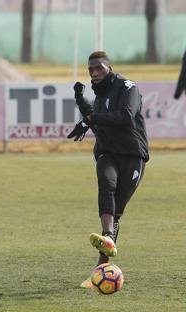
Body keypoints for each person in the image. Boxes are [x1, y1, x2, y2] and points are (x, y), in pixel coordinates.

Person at [67, 51, 150, 288]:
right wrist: (81, 102)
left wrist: (90, 120)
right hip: (107, 152)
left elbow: (125, 116)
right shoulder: (100, 93)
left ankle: (102, 261)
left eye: (98, 69)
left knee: (117, 211)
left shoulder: (127, 87)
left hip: (134, 154)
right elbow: (95, 117)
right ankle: (108, 237)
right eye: (90, 70)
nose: (93, 73)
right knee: (106, 183)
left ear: (109, 68)